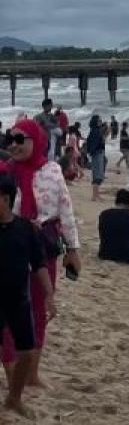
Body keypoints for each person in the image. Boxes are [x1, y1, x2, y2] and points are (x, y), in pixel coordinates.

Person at [0, 118, 81, 392]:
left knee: (39, 310)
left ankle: (32, 374)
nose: (14, 145)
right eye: (11, 139)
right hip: (10, 250)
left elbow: (66, 212)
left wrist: (73, 249)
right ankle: (14, 377)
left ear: (37, 140)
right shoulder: (4, 173)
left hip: (43, 249)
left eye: (21, 139)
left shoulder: (53, 171)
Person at [0, 174, 55, 417]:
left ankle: (14, 398)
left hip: (18, 299)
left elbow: (39, 264)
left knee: (27, 352)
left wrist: (49, 296)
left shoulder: (25, 229)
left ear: (5, 199)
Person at [98, 189, 129, 265]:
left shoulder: (104, 215)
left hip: (105, 255)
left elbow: (102, 236)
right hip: (128, 258)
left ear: (116, 200)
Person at [84, 114, 106, 203]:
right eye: (99, 121)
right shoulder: (95, 131)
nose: (100, 122)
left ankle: (96, 195)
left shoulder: (94, 131)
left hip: (97, 153)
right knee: (97, 174)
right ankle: (94, 196)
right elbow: (94, 144)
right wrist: (92, 152)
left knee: (97, 174)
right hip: (97, 154)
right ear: (95, 122)